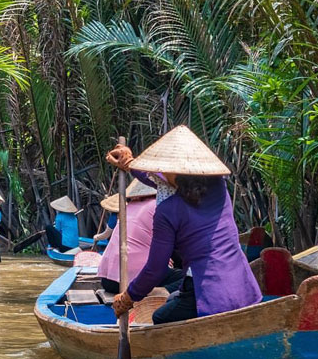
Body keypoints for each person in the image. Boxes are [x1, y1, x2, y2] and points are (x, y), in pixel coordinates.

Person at [107, 125, 262, 325]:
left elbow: (155, 269)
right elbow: (163, 183)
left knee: (160, 317)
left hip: (208, 292)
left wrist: (128, 297)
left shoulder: (167, 210)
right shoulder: (218, 187)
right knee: (172, 298)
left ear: (174, 172)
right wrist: (129, 163)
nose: (158, 172)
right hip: (243, 286)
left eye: (162, 169)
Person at [97, 180, 184, 294]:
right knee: (192, 279)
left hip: (108, 281)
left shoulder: (128, 207)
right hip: (134, 281)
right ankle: (158, 293)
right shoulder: (158, 206)